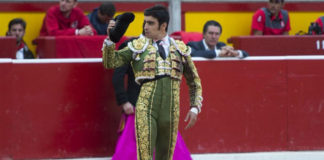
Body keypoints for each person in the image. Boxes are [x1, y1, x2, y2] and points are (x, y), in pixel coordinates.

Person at [102, 5, 202, 160]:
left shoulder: (179, 48)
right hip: (145, 106)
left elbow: (194, 81)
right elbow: (110, 62)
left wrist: (195, 107)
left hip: (171, 109)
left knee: (165, 155)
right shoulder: (137, 47)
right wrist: (110, 40)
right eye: (145, 22)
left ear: (163, 26)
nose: (145, 27)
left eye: (150, 23)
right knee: (145, 153)